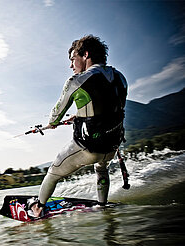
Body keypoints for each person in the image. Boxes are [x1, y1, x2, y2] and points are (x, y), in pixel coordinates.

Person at [31, 35, 128, 217]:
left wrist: (53, 123)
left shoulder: (76, 81)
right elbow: (108, 110)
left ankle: (38, 209)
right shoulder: (120, 77)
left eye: (72, 59)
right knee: (101, 168)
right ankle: (102, 205)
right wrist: (77, 116)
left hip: (88, 146)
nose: (71, 65)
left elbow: (55, 115)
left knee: (53, 172)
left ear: (85, 55)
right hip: (112, 145)